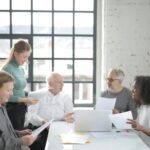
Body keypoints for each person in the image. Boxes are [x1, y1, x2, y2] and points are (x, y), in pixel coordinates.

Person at [26, 72, 74, 150]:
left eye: (63, 82)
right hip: (40, 128)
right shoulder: (37, 95)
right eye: (59, 82)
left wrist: (69, 118)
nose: (62, 84)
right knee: (40, 143)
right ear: (50, 84)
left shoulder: (66, 96)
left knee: (61, 144)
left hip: (59, 128)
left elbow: (70, 114)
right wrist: (43, 122)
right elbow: (31, 115)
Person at [2, 39, 38, 130]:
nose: (26, 60)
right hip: (11, 108)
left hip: (21, 107)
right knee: (14, 137)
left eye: (27, 57)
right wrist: (26, 99)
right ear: (15, 53)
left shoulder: (21, 69)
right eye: (24, 57)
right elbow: (5, 96)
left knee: (21, 135)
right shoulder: (7, 69)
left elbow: (19, 90)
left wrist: (32, 96)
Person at [0, 71, 37, 150]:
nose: (11, 94)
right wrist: (21, 141)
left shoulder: (2, 105)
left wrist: (18, 133)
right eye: (8, 90)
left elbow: (4, 133)